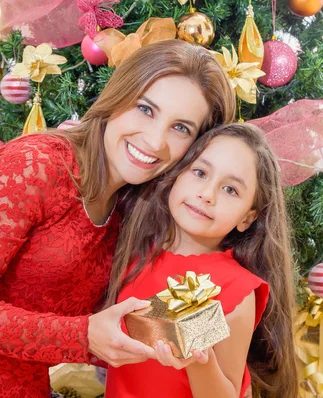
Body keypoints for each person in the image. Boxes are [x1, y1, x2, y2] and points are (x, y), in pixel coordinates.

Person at [0, 39, 236, 397]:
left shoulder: (135, 205)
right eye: (145, 109)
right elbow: (85, 333)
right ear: (117, 96)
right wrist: (81, 337)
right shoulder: (35, 166)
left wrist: (204, 343)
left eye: (181, 128)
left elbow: (121, 325)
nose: (155, 141)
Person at [104, 123, 298, 398]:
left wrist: (199, 361)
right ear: (177, 174)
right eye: (200, 172)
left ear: (247, 217)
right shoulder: (134, 254)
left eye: (230, 190)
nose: (206, 195)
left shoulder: (236, 290)